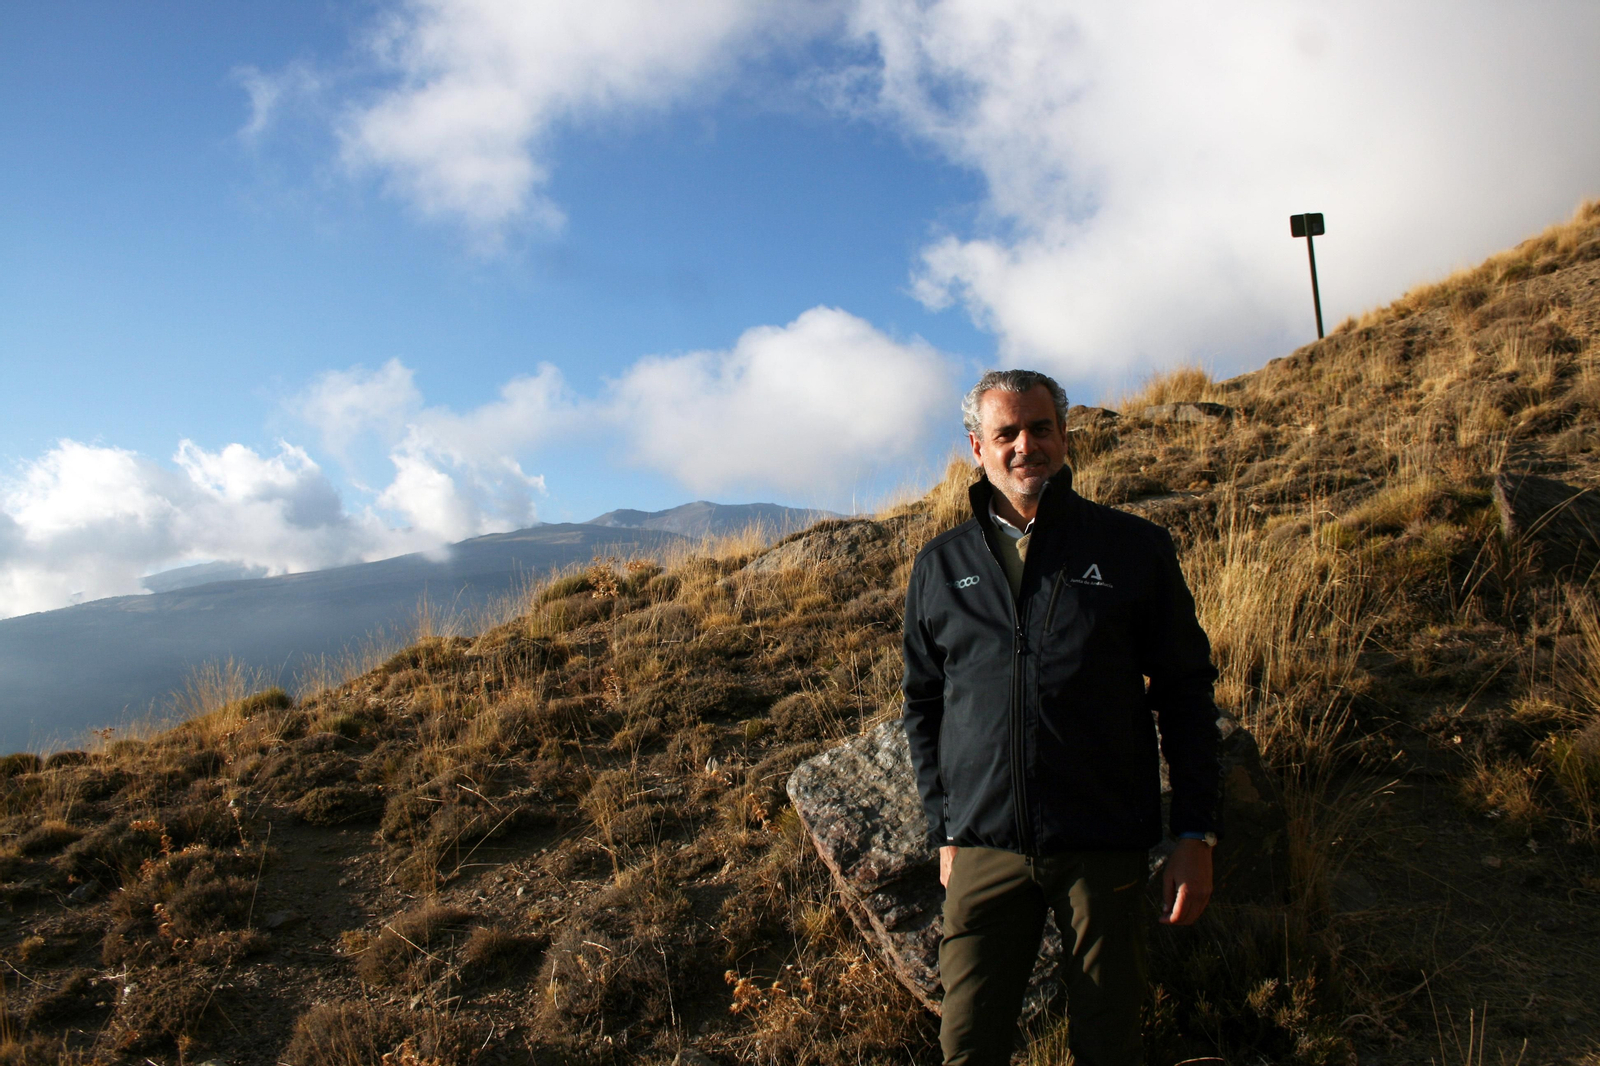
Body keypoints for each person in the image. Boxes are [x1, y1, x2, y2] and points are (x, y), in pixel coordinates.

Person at [901, 369, 1222, 1066]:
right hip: (983, 850)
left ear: (1065, 437)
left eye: (1040, 428)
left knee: (1110, 1046)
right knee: (968, 1047)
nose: (1026, 446)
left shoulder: (1135, 548)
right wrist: (944, 830)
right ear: (976, 447)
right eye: (1006, 433)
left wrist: (1196, 831)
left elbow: (1185, 692)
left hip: (1104, 845)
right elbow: (923, 706)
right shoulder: (939, 565)